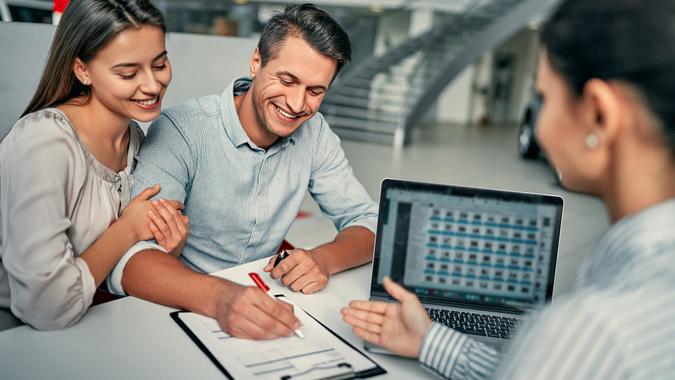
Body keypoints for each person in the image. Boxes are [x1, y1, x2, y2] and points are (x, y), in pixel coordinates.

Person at [342, 0, 675, 378]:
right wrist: (430, 339)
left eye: (544, 98)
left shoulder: (589, 331)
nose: (540, 126)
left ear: (599, 115)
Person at [103, 3, 378, 341]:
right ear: (256, 62)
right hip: (181, 308)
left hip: (264, 300)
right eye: (287, 80)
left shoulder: (315, 133)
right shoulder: (182, 131)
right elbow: (132, 259)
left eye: (314, 91)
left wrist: (324, 259)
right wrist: (221, 298)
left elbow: (367, 221)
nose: (296, 104)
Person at [0, 0, 188, 331]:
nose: (152, 85)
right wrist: (129, 229)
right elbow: (44, 308)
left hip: (93, 322)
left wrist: (168, 245)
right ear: (82, 70)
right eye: (128, 73)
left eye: (159, 65)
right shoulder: (44, 143)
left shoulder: (134, 136)